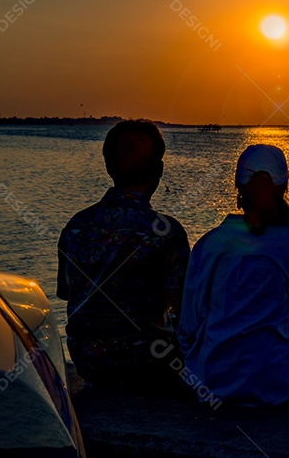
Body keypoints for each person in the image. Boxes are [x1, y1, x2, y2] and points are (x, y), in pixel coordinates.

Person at [178, 144, 289, 406]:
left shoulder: (209, 244)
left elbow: (188, 326)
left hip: (212, 385)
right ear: (284, 188)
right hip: (279, 387)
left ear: (238, 189)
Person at [57, 119, 190, 391]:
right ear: (159, 170)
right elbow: (185, 307)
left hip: (87, 360)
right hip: (149, 364)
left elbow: (66, 293)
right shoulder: (166, 232)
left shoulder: (76, 227)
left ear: (108, 167)